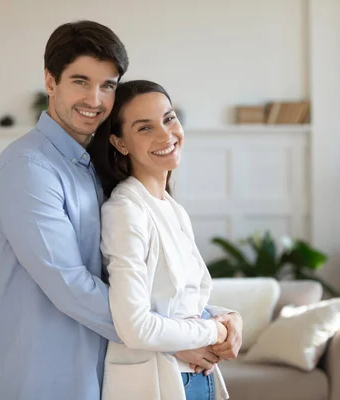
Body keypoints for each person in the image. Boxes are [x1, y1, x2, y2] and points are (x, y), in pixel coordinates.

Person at [0, 20, 242, 400]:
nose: (95, 99)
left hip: (103, 371)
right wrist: (171, 339)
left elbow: (138, 286)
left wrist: (213, 315)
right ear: (50, 81)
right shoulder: (27, 169)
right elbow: (71, 285)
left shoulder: (92, 167)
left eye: (108, 85)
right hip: (47, 377)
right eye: (80, 81)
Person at [90, 79, 239, 400]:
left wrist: (229, 319)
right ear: (120, 143)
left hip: (200, 378)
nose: (165, 135)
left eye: (169, 118)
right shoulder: (125, 210)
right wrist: (214, 330)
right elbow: (135, 326)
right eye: (145, 128)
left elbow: (177, 303)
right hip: (158, 381)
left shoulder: (171, 208)